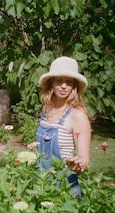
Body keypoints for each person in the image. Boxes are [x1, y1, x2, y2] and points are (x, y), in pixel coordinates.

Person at [36, 56, 91, 198]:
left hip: (64, 188)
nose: (64, 86)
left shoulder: (77, 116)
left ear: (74, 86)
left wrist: (78, 164)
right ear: (51, 83)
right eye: (59, 80)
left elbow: (84, 159)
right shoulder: (46, 109)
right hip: (41, 183)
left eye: (69, 82)